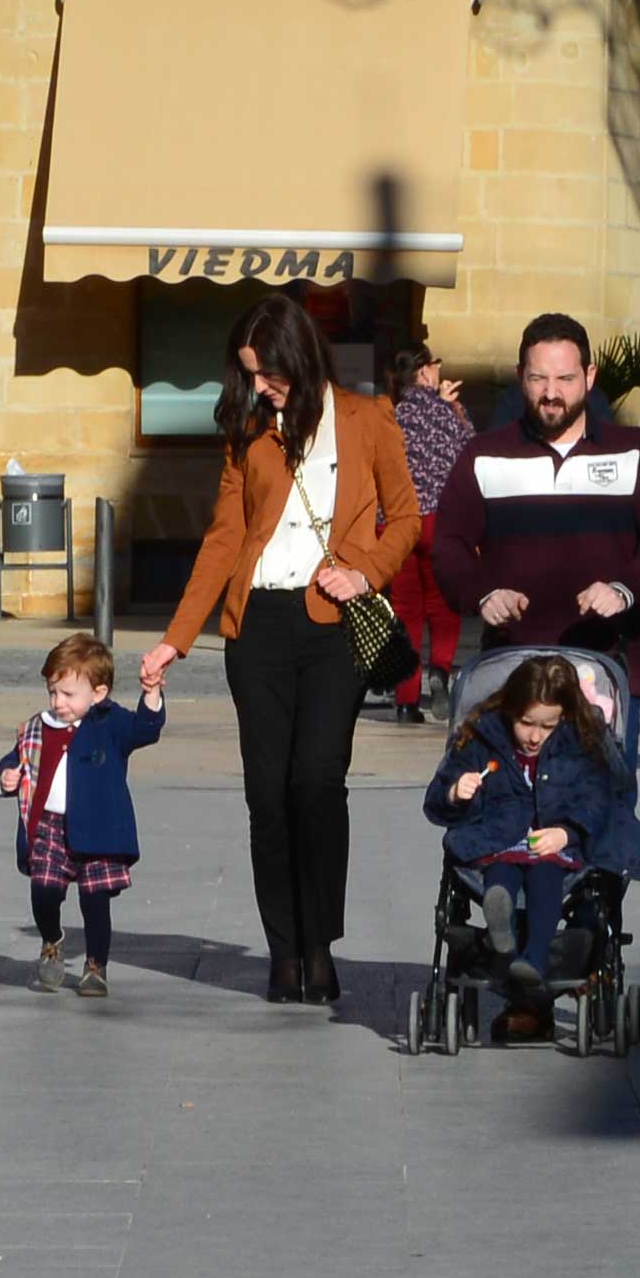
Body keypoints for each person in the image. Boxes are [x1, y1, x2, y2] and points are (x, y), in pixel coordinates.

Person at [135, 292, 418, 1009]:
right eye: (248, 373)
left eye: (267, 371)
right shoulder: (249, 433)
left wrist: (368, 571)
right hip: (256, 627)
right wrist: (176, 640)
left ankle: (320, 945)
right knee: (267, 793)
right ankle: (283, 951)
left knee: (317, 780)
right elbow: (224, 539)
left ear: (300, 354)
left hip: (334, 625)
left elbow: (406, 515)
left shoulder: (366, 418)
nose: (259, 385)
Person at [430, 314, 640, 744]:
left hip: (604, 667)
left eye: (566, 378)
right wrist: (484, 593)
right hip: (512, 674)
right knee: (510, 806)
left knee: (600, 809)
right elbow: (450, 545)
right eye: (538, 379)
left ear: (589, 376)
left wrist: (624, 588)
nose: (552, 393)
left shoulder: (635, 450)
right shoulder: (484, 454)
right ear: (520, 378)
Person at [423, 657, 640, 1045]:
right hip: (498, 839)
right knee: (500, 875)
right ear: (509, 709)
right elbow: (439, 794)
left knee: (545, 878)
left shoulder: (581, 742)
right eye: (526, 723)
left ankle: (535, 956)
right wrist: (455, 791)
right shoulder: (483, 738)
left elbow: (598, 795)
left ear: (564, 716)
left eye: (547, 725)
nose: (534, 735)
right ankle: (503, 930)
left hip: (554, 843)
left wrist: (567, 831)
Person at [0, 635, 164, 998]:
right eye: (53, 692)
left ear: (98, 694)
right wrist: (7, 778)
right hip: (50, 827)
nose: (58, 702)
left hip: (99, 828)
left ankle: (95, 966)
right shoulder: (38, 727)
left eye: (68, 694)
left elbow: (145, 730)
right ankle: (52, 939)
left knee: (95, 901)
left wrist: (152, 693)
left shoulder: (110, 722)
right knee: (44, 891)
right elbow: (14, 761)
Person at [379, 330, 476, 715]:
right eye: (434, 365)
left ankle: (406, 700)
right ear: (422, 373)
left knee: (405, 609)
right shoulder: (447, 414)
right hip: (440, 518)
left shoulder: (390, 415)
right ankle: (440, 667)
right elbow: (473, 453)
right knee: (443, 604)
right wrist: (455, 410)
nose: (439, 371)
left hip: (397, 523)